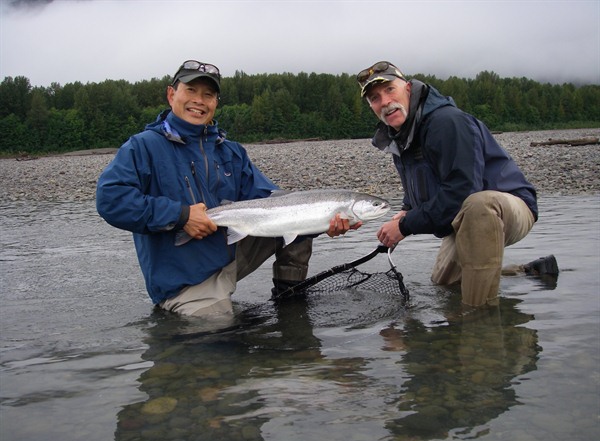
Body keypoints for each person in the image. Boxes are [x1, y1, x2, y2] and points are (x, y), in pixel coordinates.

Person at [96, 60, 353, 318]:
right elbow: (111, 200)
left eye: (208, 95)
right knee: (216, 343)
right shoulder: (142, 147)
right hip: (187, 279)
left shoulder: (230, 151)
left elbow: (273, 201)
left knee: (296, 224)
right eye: (191, 91)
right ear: (171, 94)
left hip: (229, 254)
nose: (199, 101)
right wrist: (181, 216)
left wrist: (324, 220)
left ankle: (290, 307)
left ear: (216, 102)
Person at [356, 61, 558, 308]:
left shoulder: (446, 122)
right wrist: (405, 213)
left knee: (478, 205)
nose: (385, 102)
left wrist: (406, 226)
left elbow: (463, 190)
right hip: (463, 218)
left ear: (408, 89)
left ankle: (479, 326)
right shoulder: (401, 138)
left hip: (505, 207)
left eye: (390, 90)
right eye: (375, 98)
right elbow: (419, 193)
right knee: (445, 286)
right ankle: (530, 272)